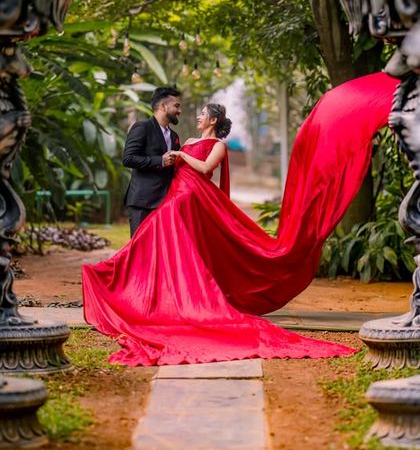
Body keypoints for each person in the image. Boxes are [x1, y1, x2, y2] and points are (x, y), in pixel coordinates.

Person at [83, 71, 399, 367]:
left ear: (214, 119)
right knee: (147, 251)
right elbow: (140, 160)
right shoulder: (177, 138)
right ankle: (137, 298)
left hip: (187, 204)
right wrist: (172, 158)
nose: (193, 114)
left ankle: (160, 302)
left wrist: (178, 157)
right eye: (180, 106)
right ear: (163, 105)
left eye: (201, 112)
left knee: (171, 254)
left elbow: (205, 169)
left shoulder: (213, 146)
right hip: (161, 202)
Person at [122, 86, 182, 236]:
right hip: (143, 202)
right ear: (163, 106)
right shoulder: (142, 127)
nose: (179, 111)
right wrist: (160, 160)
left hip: (166, 203)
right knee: (139, 251)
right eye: (176, 106)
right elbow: (128, 158)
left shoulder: (174, 136)